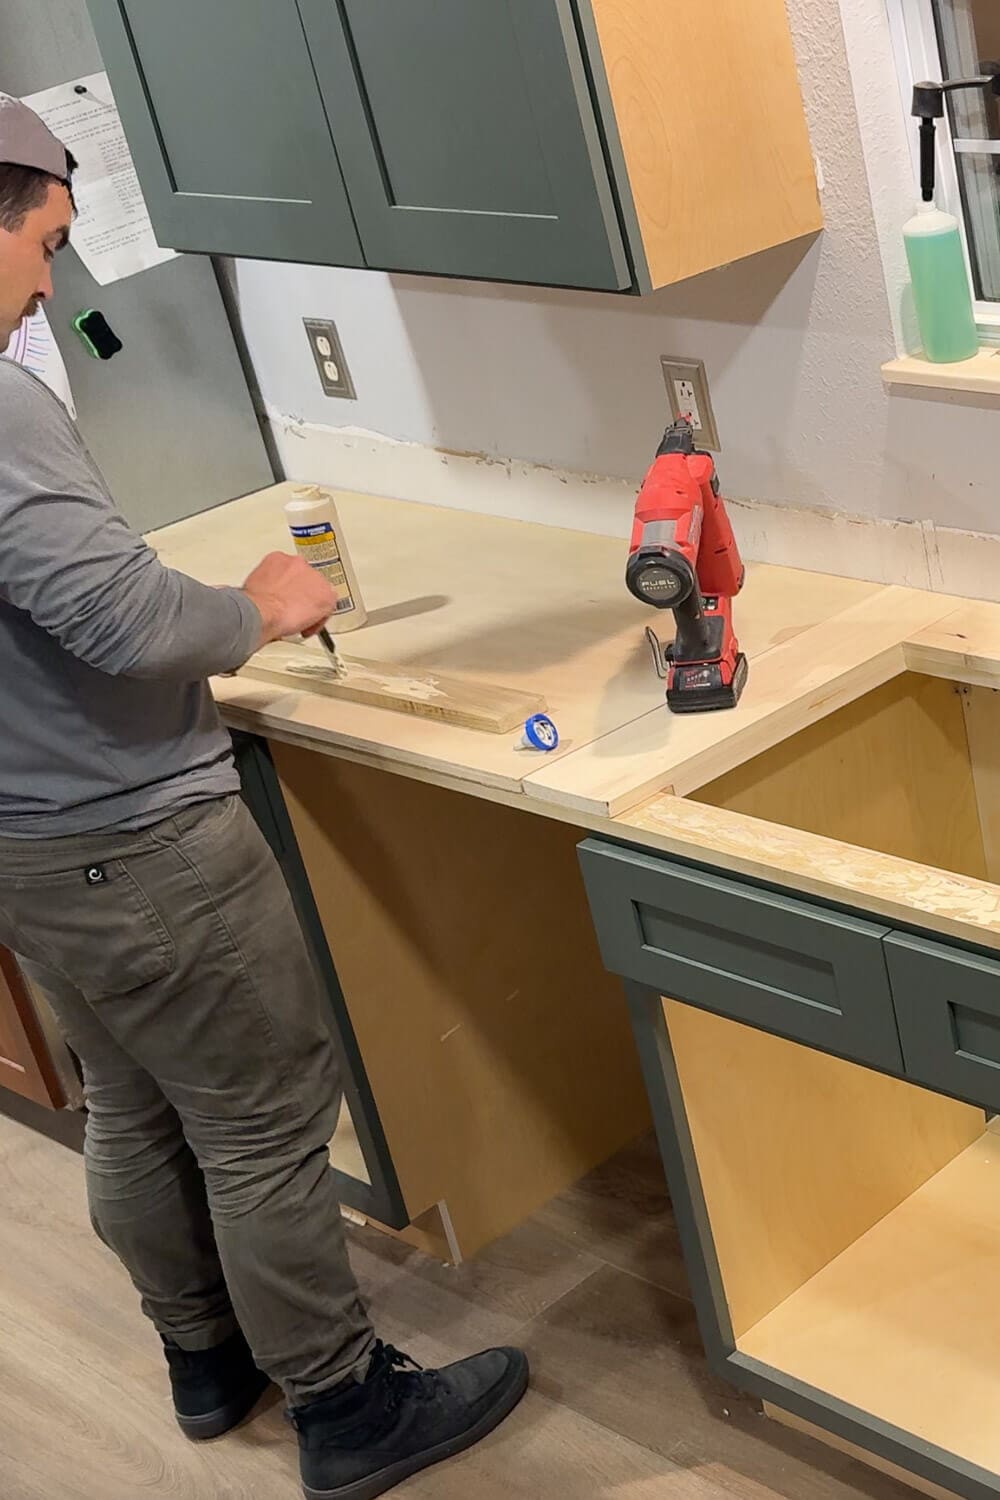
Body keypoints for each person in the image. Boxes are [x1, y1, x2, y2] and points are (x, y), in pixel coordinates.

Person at [0, 95, 527, 1500]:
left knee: (132, 1102)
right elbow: (123, 620)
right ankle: (350, 1411)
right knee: (260, 1125)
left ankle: (204, 1360)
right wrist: (256, 605)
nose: (52, 279)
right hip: (134, 836)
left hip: (29, 843)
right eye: (44, 241)